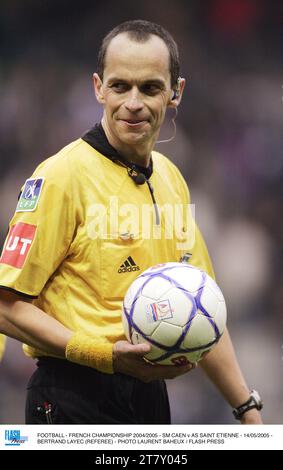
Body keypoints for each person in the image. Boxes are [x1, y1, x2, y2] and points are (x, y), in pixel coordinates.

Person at [0, 20, 262, 424]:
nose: (133, 102)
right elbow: (6, 307)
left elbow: (204, 310)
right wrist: (104, 356)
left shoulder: (172, 179)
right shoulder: (60, 176)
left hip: (149, 399)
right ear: (98, 88)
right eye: (120, 86)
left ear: (176, 92)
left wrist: (246, 409)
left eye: (151, 87)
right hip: (70, 397)